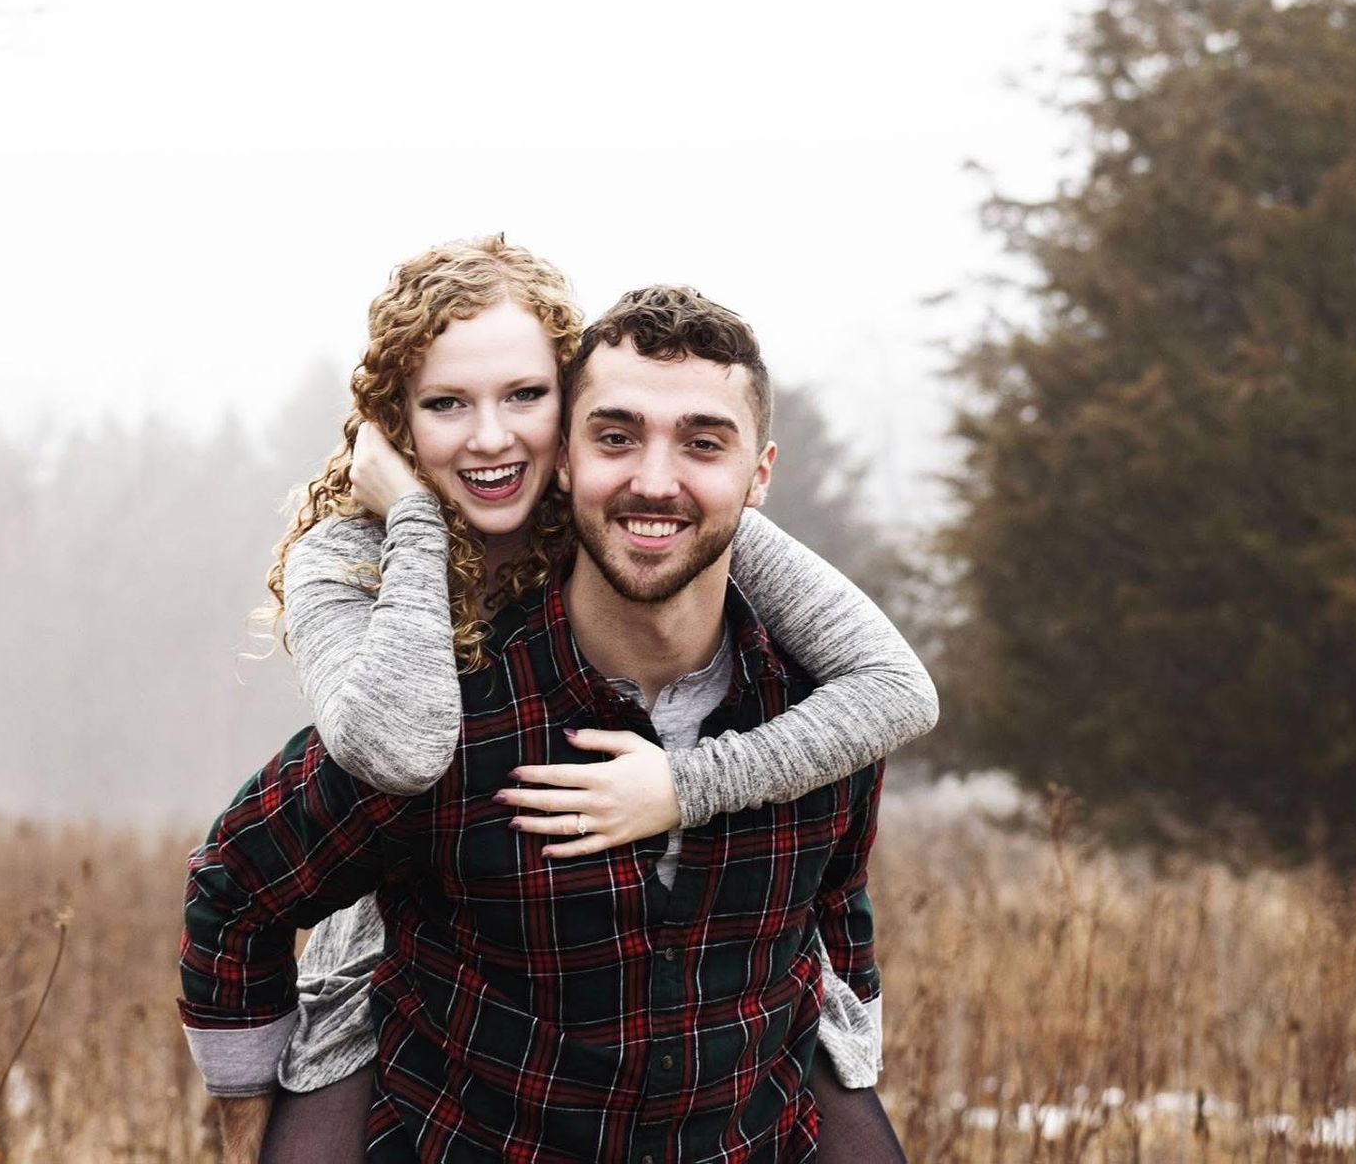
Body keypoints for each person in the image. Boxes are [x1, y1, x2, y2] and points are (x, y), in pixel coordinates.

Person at [181, 268, 929, 1162]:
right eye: (618, 437)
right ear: (571, 457)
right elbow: (251, 876)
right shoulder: (416, 643)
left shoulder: (818, 701)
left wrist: (686, 787)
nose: (656, 480)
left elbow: (838, 897)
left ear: (758, 474)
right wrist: (245, 1128)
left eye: (703, 445)